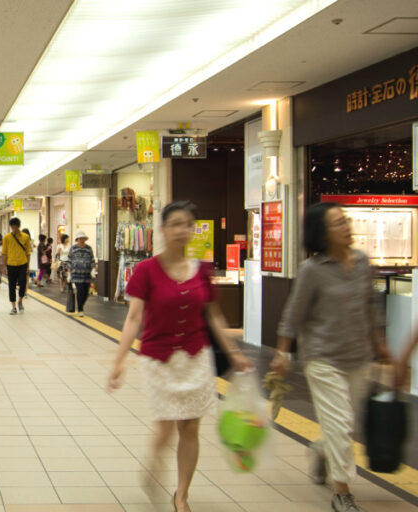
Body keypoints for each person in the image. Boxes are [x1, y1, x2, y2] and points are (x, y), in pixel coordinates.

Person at [108, 201, 249, 512]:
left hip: (196, 357)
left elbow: (213, 315)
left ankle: (181, 495)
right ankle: (154, 460)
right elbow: (133, 319)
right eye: (176, 224)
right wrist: (119, 361)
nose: (183, 230)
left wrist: (234, 353)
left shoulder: (202, 270)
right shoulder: (145, 270)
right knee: (165, 426)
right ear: (162, 229)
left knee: (190, 426)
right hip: (158, 359)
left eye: (188, 224)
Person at [272, 202, 389, 512]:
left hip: (358, 356)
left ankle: (322, 450)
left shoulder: (362, 262)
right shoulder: (312, 270)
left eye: (345, 221)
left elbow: (371, 304)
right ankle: (342, 492)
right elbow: (293, 314)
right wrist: (282, 353)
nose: (347, 227)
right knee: (339, 423)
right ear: (322, 234)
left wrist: (381, 343)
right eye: (338, 223)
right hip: (323, 359)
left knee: (345, 425)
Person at [1, 218, 32, 314]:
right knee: (11, 286)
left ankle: (20, 301)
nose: (13, 229)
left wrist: (28, 266)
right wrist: (4, 267)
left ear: (18, 226)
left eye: (15, 227)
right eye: (12, 227)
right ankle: (13, 307)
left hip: (22, 264)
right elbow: (4, 253)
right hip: (11, 264)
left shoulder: (25, 237)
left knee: (23, 284)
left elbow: (28, 253)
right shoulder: (7, 238)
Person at [68, 233, 95, 317]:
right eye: (80, 238)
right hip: (76, 274)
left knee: (86, 292)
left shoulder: (89, 248)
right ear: (77, 239)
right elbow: (69, 261)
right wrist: (69, 273)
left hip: (87, 274)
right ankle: (80, 309)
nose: (81, 240)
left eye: (83, 238)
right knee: (80, 291)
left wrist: (93, 269)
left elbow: (92, 259)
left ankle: (81, 305)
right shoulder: (73, 248)